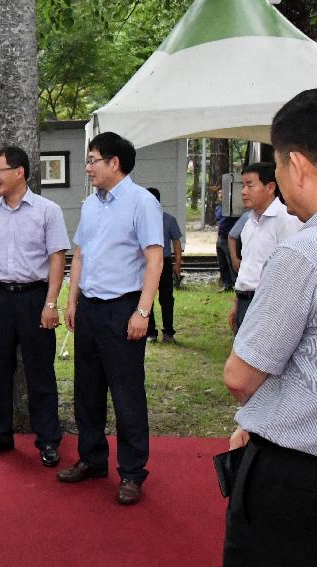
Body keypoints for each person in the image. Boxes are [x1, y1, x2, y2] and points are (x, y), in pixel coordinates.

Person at [222, 88, 317, 566]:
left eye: (277, 166)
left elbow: (241, 377)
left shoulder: (301, 255)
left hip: (295, 476)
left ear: (296, 165)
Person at [60, 132, 163, 506]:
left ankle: (133, 473)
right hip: (89, 307)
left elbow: (155, 259)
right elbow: (81, 254)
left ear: (114, 163)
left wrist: (142, 311)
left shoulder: (141, 203)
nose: (88, 167)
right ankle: (92, 458)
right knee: (86, 390)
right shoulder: (91, 205)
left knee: (127, 394)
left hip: (124, 309)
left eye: (92, 160)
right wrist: (71, 301)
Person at [0, 146, 69, 466]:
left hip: (35, 298)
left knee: (40, 372)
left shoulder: (47, 210)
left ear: (19, 172)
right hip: (0, 297)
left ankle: (48, 439)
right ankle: (0, 435)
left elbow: (58, 259)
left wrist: (51, 303)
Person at [228, 162, 301, 334]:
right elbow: (249, 266)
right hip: (245, 300)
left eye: (250, 185)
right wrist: (237, 303)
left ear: (270, 188)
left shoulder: (285, 220)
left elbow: (290, 270)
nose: (244, 191)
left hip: (268, 305)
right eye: (243, 185)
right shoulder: (250, 222)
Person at [145, 187, 182, 344]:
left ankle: (167, 332)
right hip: (147, 262)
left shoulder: (168, 219)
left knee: (165, 298)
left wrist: (177, 263)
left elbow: (176, 242)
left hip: (163, 261)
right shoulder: (141, 220)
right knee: (148, 298)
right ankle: (151, 332)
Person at [215, 191, 238, 291]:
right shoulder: (218, 207)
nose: (220, 194)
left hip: (228, 237)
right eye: (219, 193)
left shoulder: (232, 208)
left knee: (231, 261)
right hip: (220, 236)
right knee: (222, 262)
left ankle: (236, 283)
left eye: (222, 192)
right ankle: (226, 284)